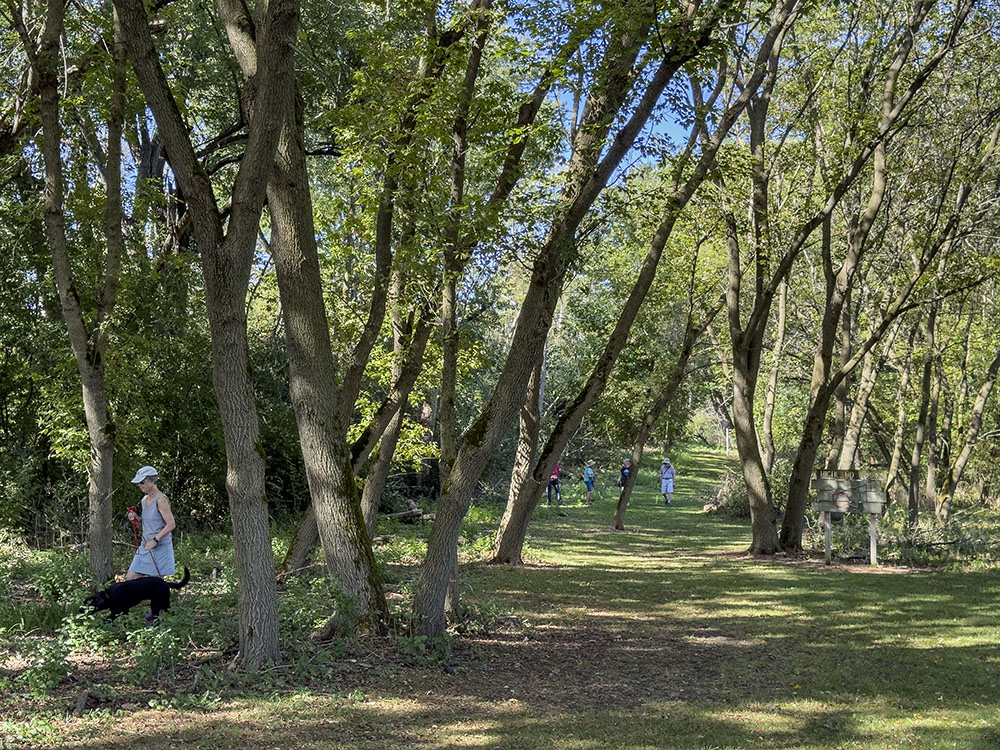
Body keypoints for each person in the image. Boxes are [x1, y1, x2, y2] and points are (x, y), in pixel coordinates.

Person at [126, 466, 176, 581]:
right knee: (130, 578)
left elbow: (171, 524)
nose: (139, 485)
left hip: (159, 547)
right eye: (138, 482)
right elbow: (149, 521)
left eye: (142, 482)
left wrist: (155, 540)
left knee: (154, 588)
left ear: (152, 481)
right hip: (145, 546)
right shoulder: (144, 499)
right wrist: (136, 518)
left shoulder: (161, 500)